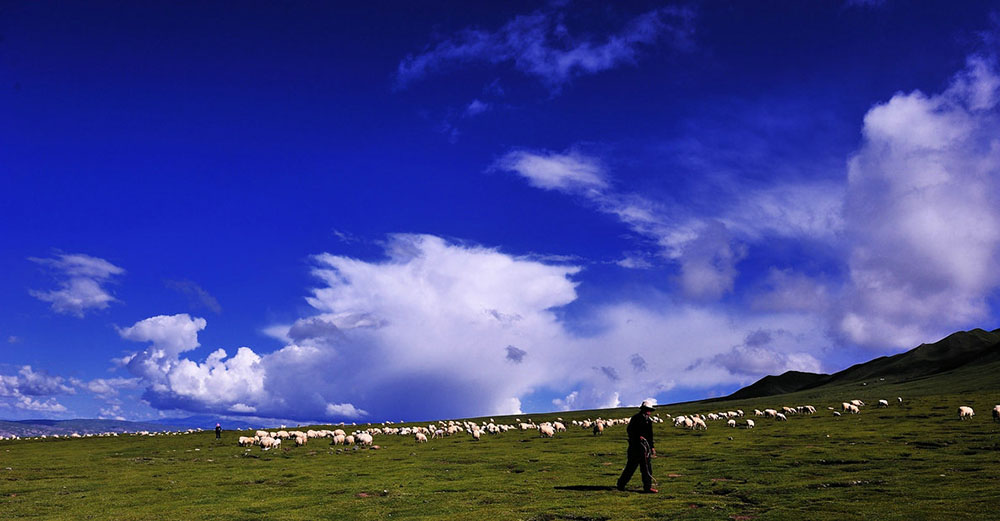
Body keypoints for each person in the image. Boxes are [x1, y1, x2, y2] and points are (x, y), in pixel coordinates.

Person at [616, 400, 657, 493]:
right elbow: (630, 430)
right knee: (630, 468)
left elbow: (650, 435)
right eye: (647, 410)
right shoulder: (636, 418)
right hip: (635, 448)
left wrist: (652, 447)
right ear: (643, 409)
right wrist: (638, 437)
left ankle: (647, 487)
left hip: (645, 449)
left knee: (646, 468)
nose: (649, 412)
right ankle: (621, 484)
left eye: (650, 410)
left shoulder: (649, 421)